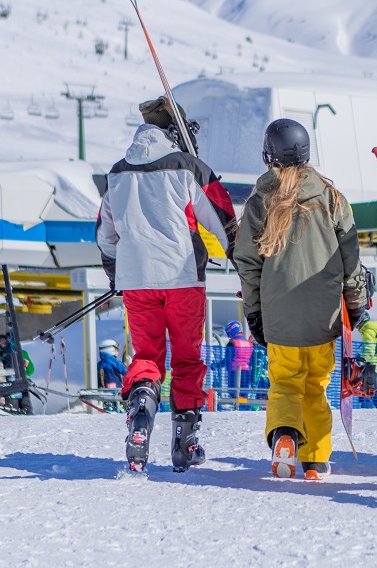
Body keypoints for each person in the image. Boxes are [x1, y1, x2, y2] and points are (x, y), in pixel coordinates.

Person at [96, 95, 238, 472]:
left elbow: (105, 236)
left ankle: (140, 418)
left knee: (146, 356)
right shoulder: (188, 166)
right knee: (188, 358)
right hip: (182, 277)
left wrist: (116, 276)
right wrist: (243, 262)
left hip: (136, 281)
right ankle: (185, 442)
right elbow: (222, 218)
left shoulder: (117, 172)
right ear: (175, 132)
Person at [232, 119, 367, 482]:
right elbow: (350, 259)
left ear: (268, 153)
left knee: (286, 384)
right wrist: (356, 305)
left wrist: (254, 312)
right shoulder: (331, 198)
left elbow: (247, 263)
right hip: (323, 318)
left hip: (280, 318)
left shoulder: (261, 201)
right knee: (316, 386)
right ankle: (316, 460)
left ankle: (285, 436)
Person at [223, 321, 255, 395]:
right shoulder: (249, 344)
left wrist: (216, 365)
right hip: (247, 373)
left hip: (234, 372)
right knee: (244, 396)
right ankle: (244, 406)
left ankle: (236, 406)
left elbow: (227, 360)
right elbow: (252, 360)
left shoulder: (232, 343)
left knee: (234, 396)